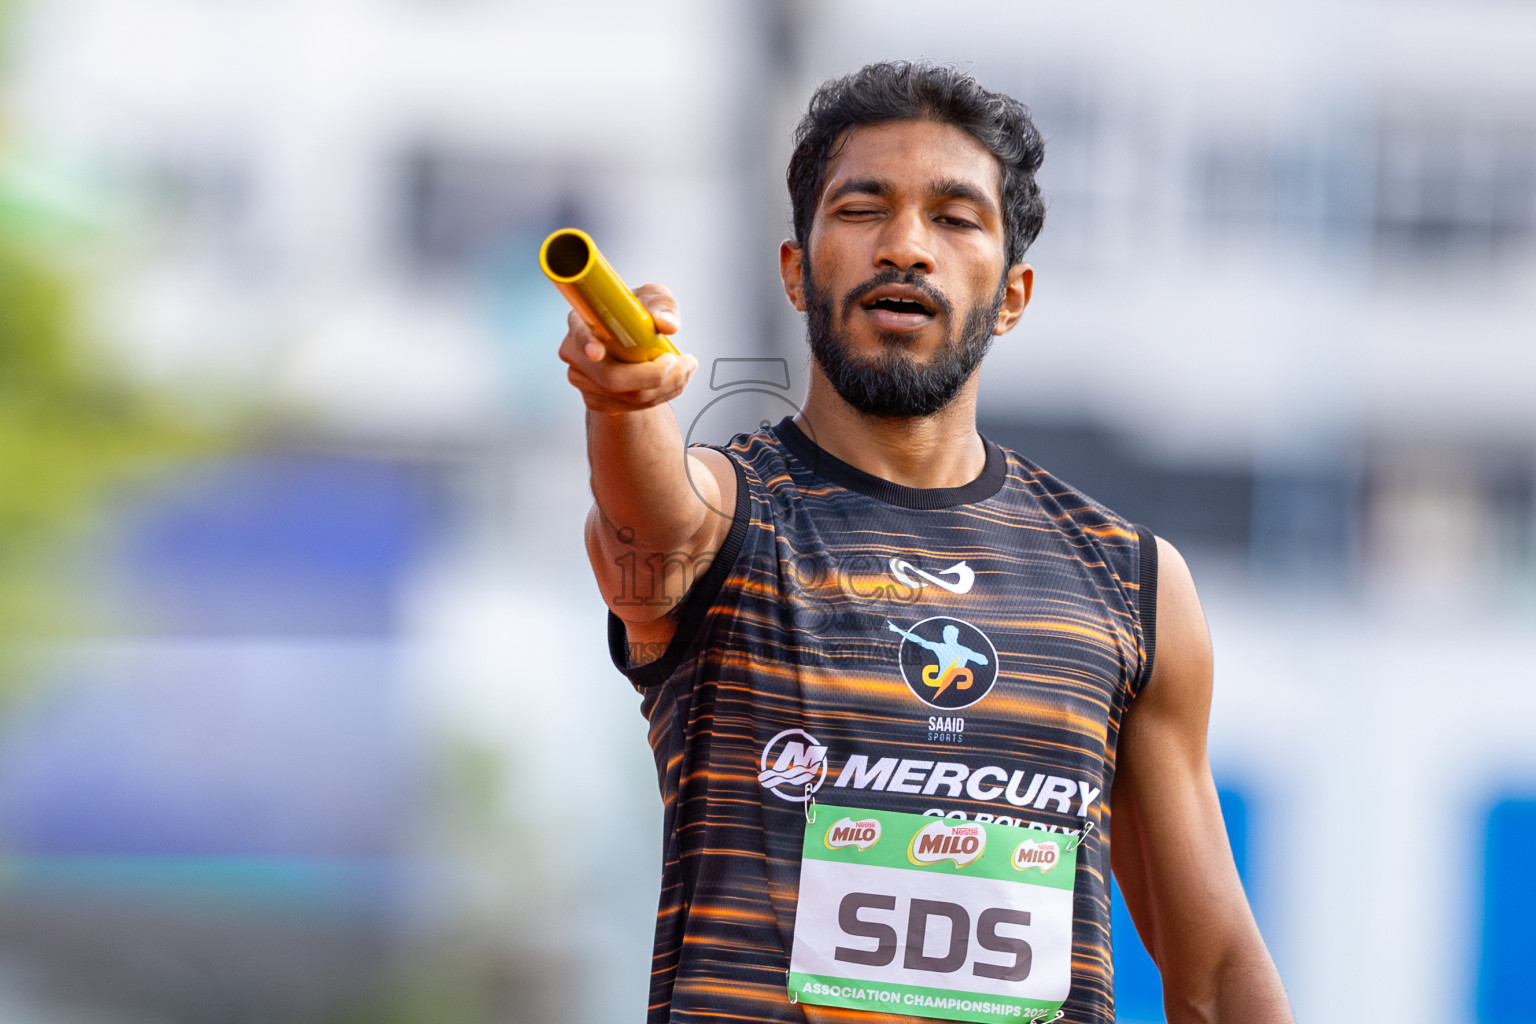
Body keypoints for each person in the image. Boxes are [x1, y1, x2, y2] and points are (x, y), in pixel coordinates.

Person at [559, 61, 1292, 1024]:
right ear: (795, 269)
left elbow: (1215, 972)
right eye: (863, 209)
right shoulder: (730, 524)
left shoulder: (1131, 583)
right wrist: (622, 405)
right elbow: (646, 518)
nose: (905, 246)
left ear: (1014, 293)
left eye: (954, 218)